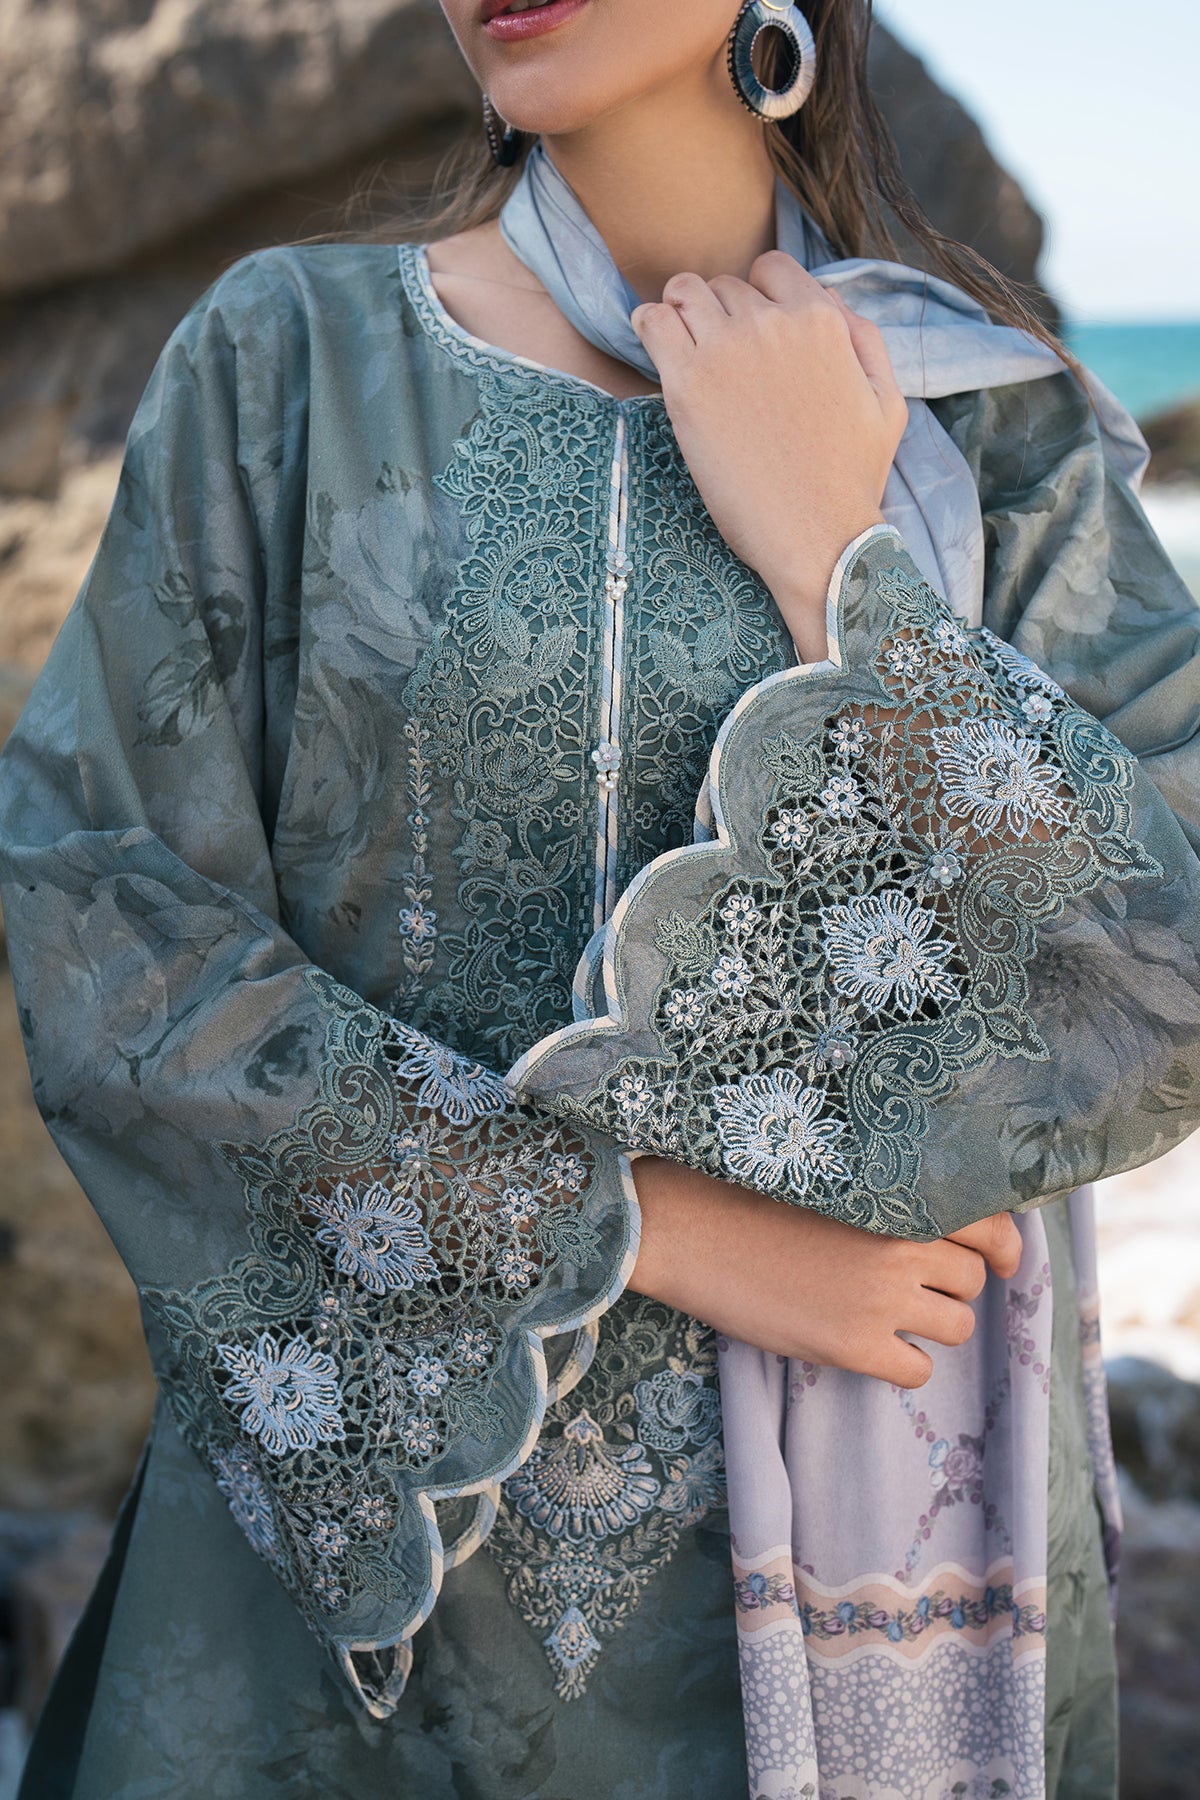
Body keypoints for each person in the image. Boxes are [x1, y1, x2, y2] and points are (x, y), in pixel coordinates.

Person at [3, 2, 1199, 1795]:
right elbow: (99, 911)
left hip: (844, 1603)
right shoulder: (294, 359)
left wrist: (842, 565)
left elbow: (1163, 975)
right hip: (364, 1623)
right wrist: (641, 1227)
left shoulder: (987, 421)